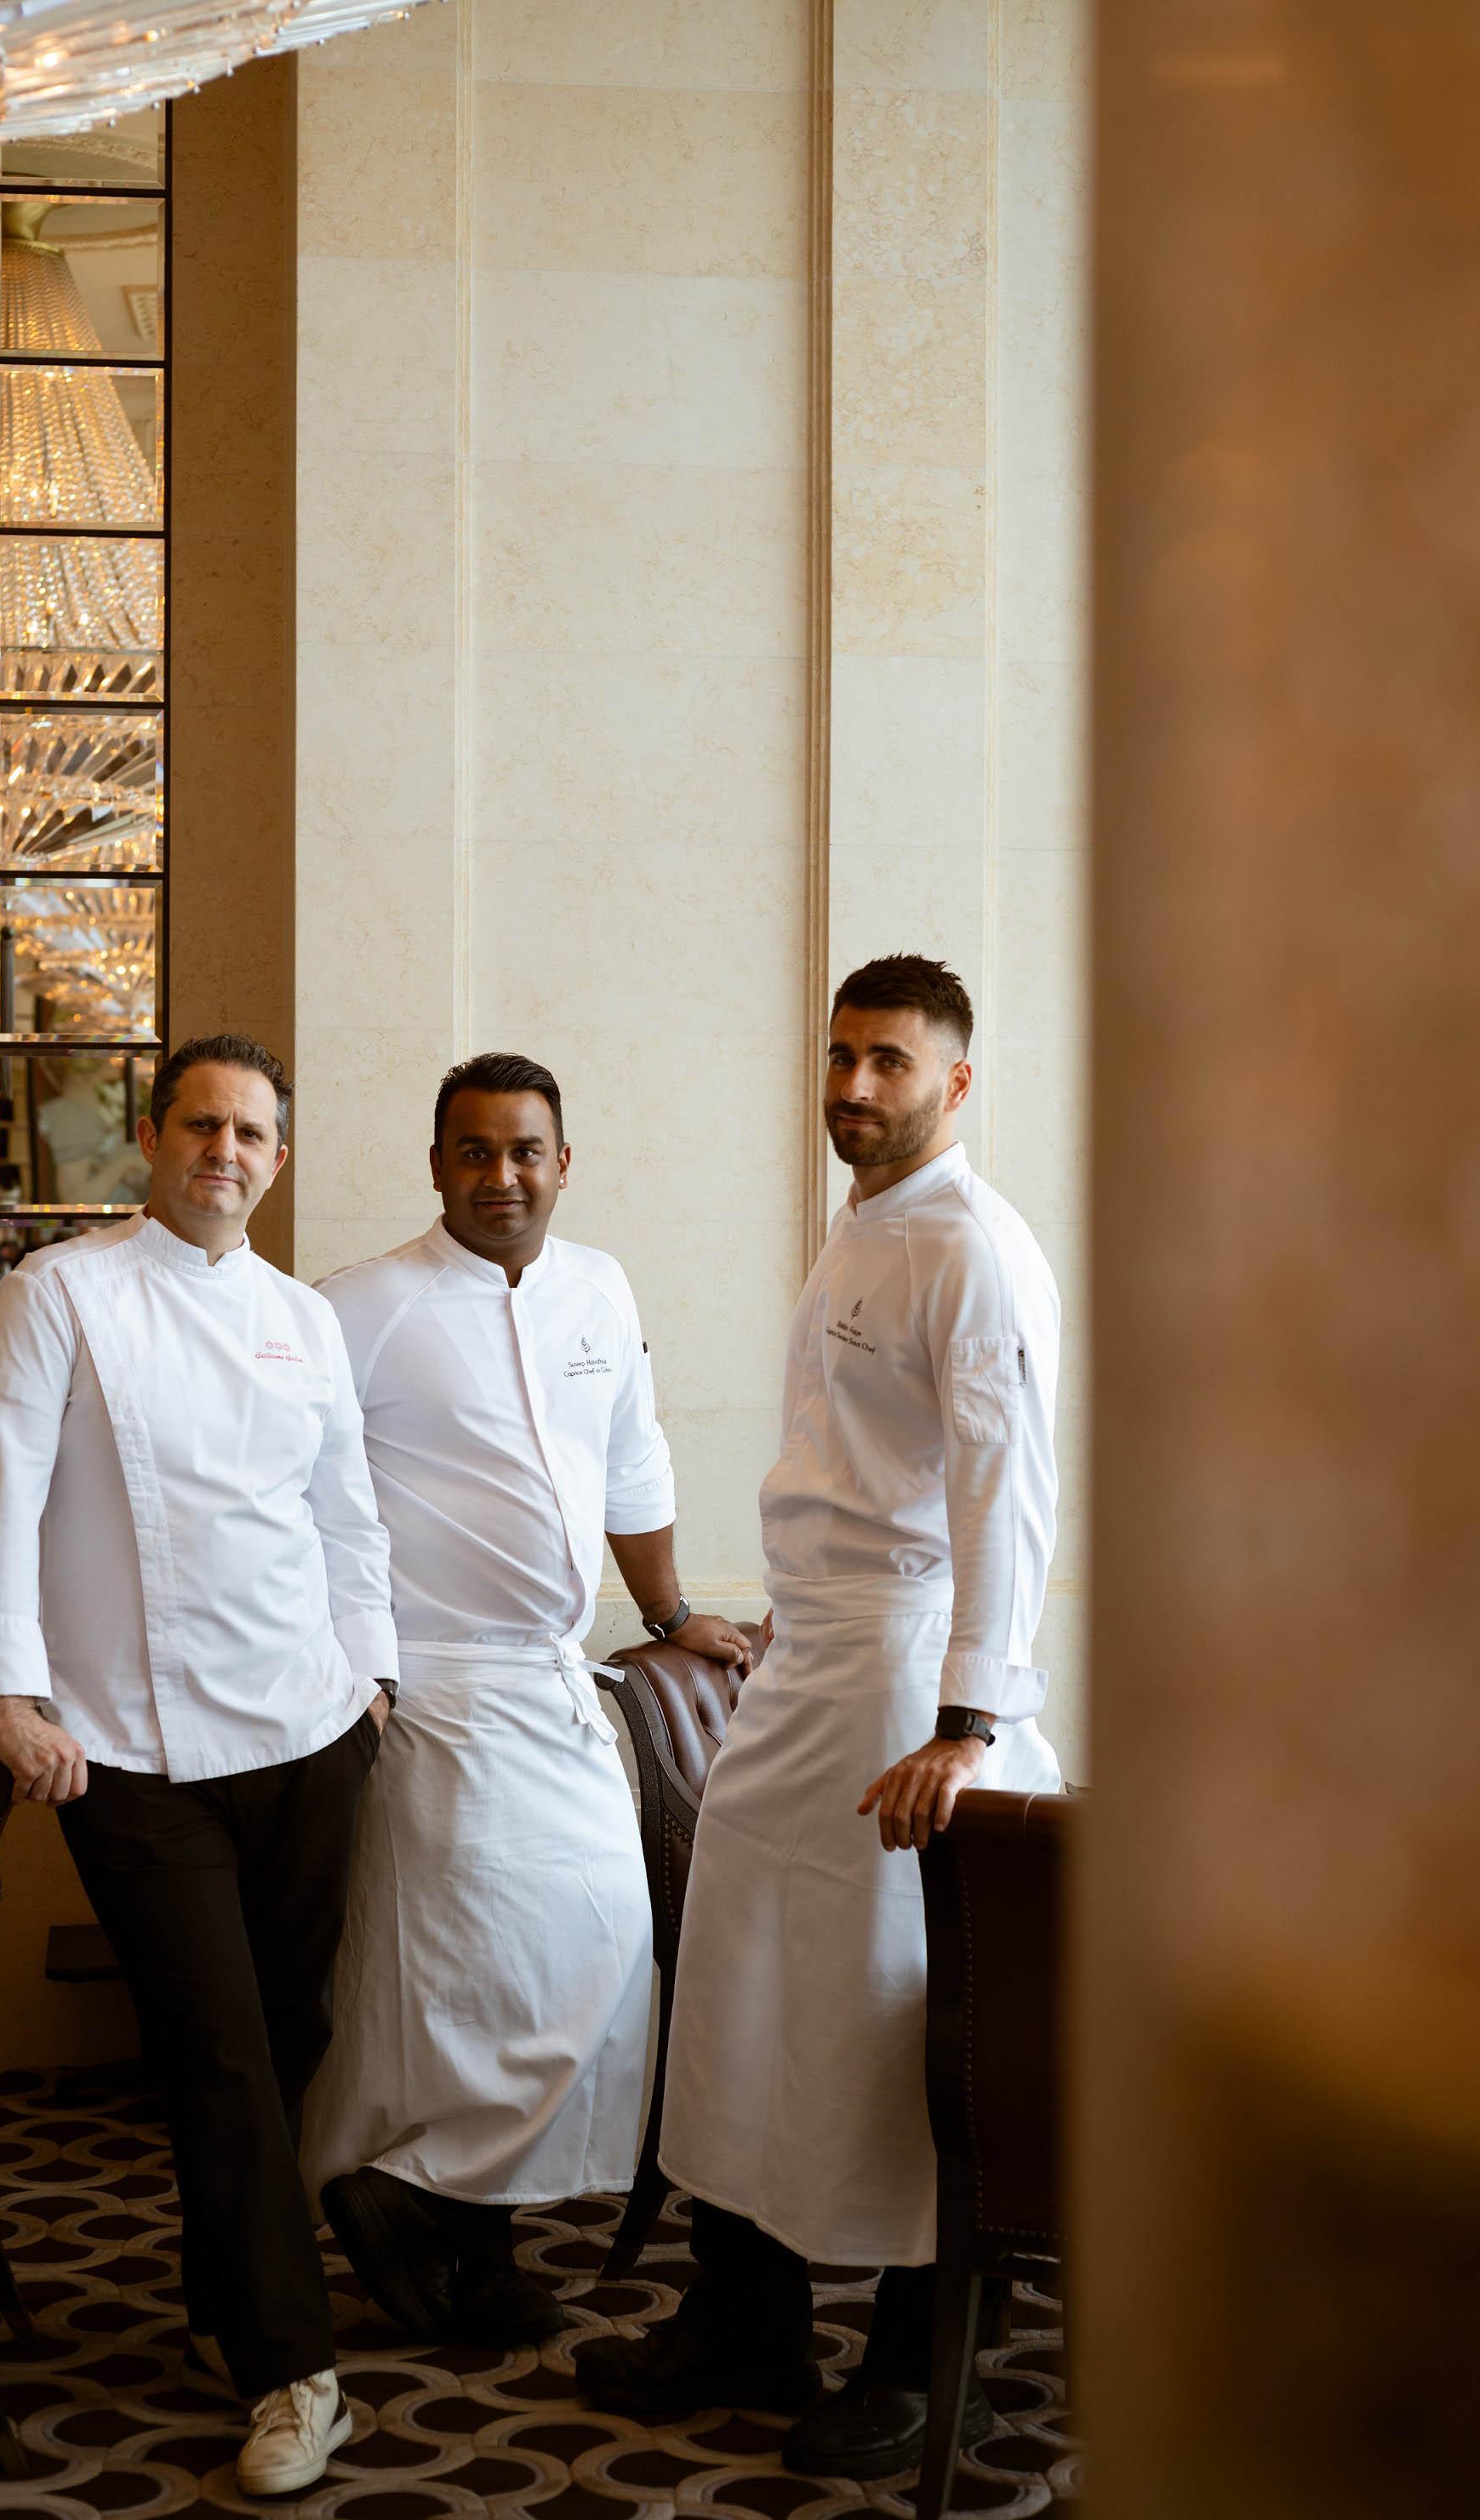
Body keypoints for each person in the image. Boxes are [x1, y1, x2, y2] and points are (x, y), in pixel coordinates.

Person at [576, 955, 1065, 2478]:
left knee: (887, 2019)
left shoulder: (974, 1251)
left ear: (956, 1082)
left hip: (908, 1694)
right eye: (842, 1054)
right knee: (740, 1993)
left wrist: (967, 1722)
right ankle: (746, 2317)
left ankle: (923, 2363)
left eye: (890, 1062)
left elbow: (1006, 1501)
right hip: (813, 1665)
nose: (853, 1085)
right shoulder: (865, 1220)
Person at [0, 1032, 397, 2500]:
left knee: (286, 2038)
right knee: (218, 2053)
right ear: (152, 1136)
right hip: (128, 1750)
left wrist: (373, 1679)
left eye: (252, 1132)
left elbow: (347, 1515)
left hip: (310, 1728)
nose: (225, 1151)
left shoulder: (300, 1317)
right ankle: (293, 2371)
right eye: (202, 1124)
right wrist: (10, 1695)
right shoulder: (61, 1292)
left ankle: (224, 2294)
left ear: (278, 1156)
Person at [300, 1051, 751, 2346]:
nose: (501, 1175)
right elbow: (297, 1492)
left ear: (564, 1162)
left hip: (556, 1677)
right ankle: (451, 2235)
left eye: (525, 1151)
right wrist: (348, 1664)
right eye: (475, 1150)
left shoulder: (600, 1287)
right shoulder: (359, 1305)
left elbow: (634, 1466)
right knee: (464, 1982)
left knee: (601, 1952)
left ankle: (423, 2206)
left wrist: (669, 1614)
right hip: (429, 1684)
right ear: (437, 1163)